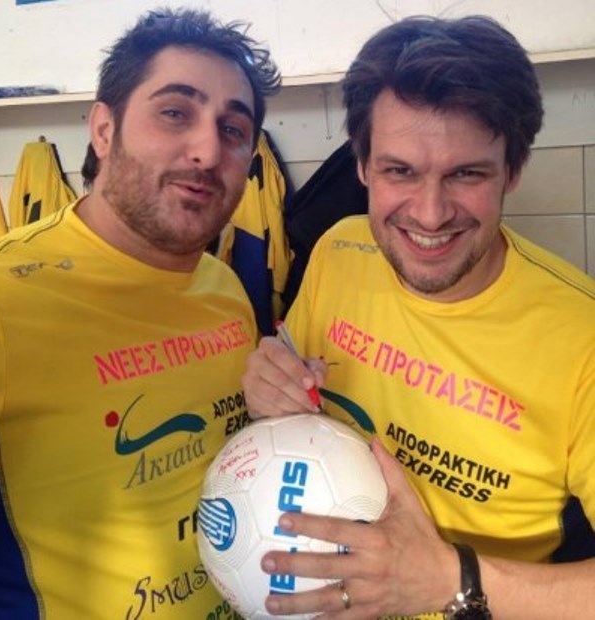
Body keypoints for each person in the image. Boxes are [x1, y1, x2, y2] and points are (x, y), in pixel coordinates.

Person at [242, 15, 595, 620]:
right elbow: (289, 390)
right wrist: (267, 389)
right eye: (400, 171)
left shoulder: (582, 337)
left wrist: (449, 580)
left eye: (466, 173)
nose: (430, 215)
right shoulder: (339, 250)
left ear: (512, 170)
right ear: (362, 167)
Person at [0, 8, 279, 619]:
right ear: (103, 129)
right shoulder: (5, 299)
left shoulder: (227, 288)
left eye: (233, 129)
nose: (208, 150)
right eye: (175, 112)